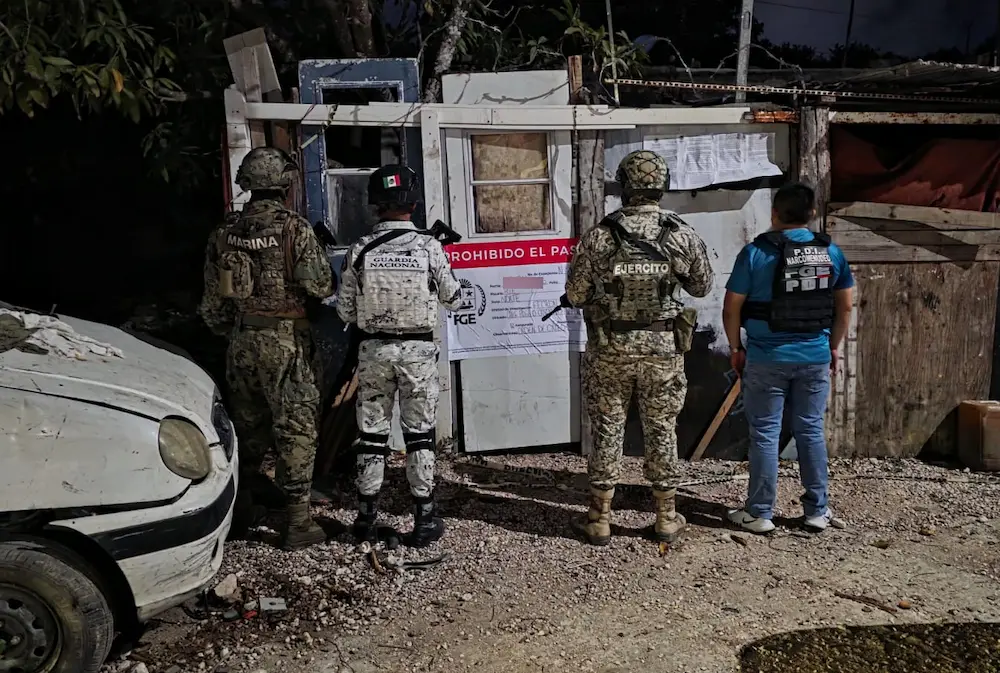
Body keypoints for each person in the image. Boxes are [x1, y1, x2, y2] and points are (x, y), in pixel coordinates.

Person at [565, 149, 714, 546]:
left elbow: (576, 295)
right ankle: (666, 516)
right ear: (662, 186)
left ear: (624, 186)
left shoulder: (600, 235)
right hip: (662, 350)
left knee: (607, 426)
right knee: (662, 427)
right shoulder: (680, 234)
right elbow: (702, 286)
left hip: (611, 348)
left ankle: (599, 518)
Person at [199, 146, 334, 550]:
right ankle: (298, 523)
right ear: (283, 184)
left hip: (242, 341)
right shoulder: (294, 229)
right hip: (288, 343)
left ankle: (239, 508)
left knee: (246, 426)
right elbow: (320, 286)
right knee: (296, 427)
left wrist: (236, 332)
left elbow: (213, 305)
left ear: (247, 183)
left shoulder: (224, 233)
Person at [336, 164, 462, 548]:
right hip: (418, 354)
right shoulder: (429, 246)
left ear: (375, 204)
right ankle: (424, 519)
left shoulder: (360, 249)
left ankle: (365, 519)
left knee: (372, 436)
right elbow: (454, 299)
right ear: (414, 203)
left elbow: (345, 311)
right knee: (419, 436)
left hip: (374, 351)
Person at [722, 181, 854, 534]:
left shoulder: (755, 253)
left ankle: (760, 513)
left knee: (765, 433)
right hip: (814, 355)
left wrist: (735, 348)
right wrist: (833, 347)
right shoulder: (830, 252)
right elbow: (845, 306)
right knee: (810, 430)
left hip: (766, 358)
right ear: (812, 213)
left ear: (774, 213)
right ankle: (817, 511)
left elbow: (731, 307)